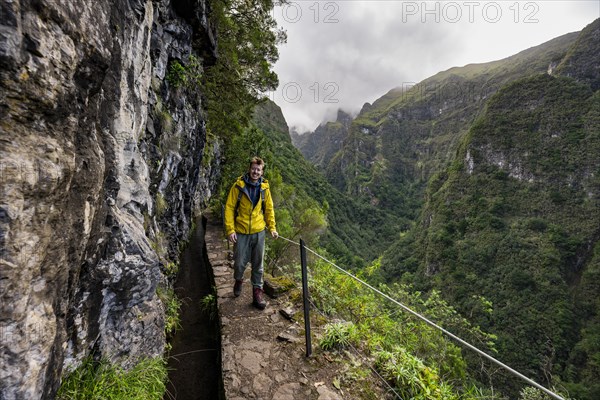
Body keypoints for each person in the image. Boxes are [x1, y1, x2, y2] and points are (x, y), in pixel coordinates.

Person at [224, 157, 278, 310]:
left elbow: (269, 210)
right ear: (249, 169)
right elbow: (229, 208)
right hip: (241, 232)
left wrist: (272, 228)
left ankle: (257, 293)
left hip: (259, 231)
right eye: (254, 169)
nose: (255, 172)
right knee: (239, 262)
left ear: (262, 172)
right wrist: (230, 229)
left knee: (258, 265)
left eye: (258, 170)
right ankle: (239, 280)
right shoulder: (238, 187)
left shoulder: (265, 189)